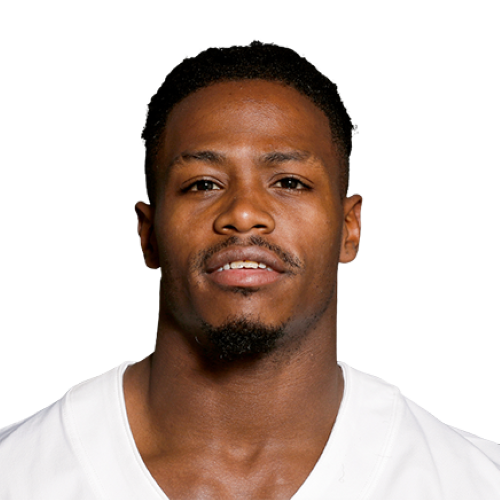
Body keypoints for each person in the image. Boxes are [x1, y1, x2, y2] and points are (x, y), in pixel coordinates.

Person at [1, 41, 499, 500]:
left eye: (289, 182)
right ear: (147, 234)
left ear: (351, 228)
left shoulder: (474, 481)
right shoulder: (17, 472)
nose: (242, 214)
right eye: (202, 184)